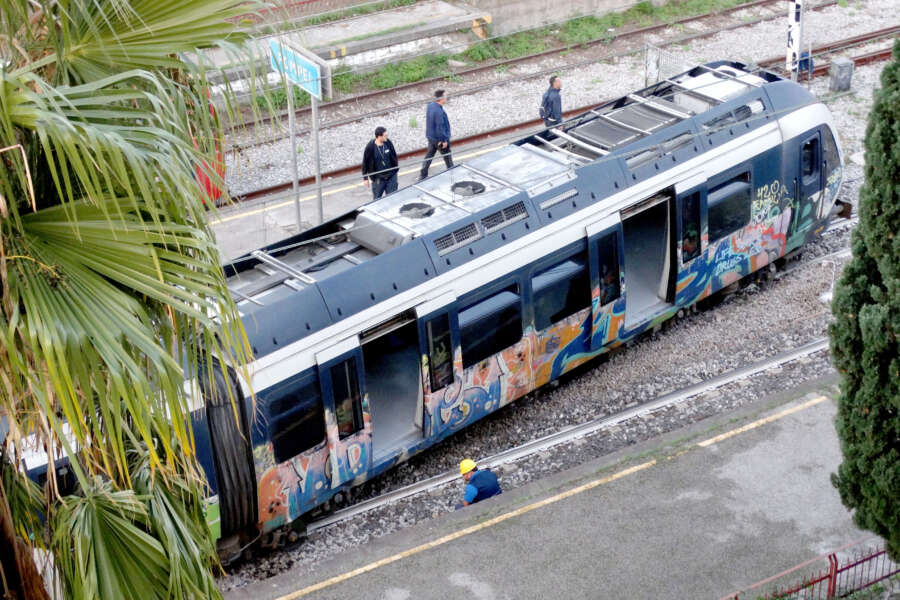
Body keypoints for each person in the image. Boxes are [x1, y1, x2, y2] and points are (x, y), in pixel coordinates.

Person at [419, 89, 453, 180]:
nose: (447, 98)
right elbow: (440, 128)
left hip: (431, 137)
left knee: (429, 155)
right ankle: (452, 173)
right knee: (447, 157)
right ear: (441, 98)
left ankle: (423, 174)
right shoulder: (439, 112)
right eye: (445, 96)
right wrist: (444, 140)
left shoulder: (430, 106)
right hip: (439, 140)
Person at [362, 126, 399, 199]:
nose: (387, 137)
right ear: (379, 136)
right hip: (378, 179)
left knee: (393, 198)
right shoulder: (370, 147)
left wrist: (395, 170)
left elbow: (394, 155)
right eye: (385, 135)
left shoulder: (388, 143)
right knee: (377, 200)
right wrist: (365, 178)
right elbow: (365, 162)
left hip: (391, 177)